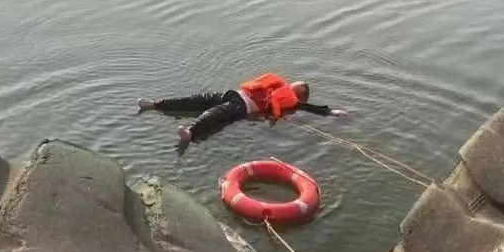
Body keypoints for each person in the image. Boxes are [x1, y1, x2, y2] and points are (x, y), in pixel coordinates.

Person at [138, 72, 348, 148]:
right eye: (293, 85)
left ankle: (190, 133)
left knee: (215, 114)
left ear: (298, 95)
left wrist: (331, 112)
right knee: (196, 100)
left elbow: (311, 108)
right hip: (234, 94)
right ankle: (157, 104)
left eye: (295, 88)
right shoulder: (281, 88)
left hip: (241, 106)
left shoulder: (293, 102)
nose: (291, 87)